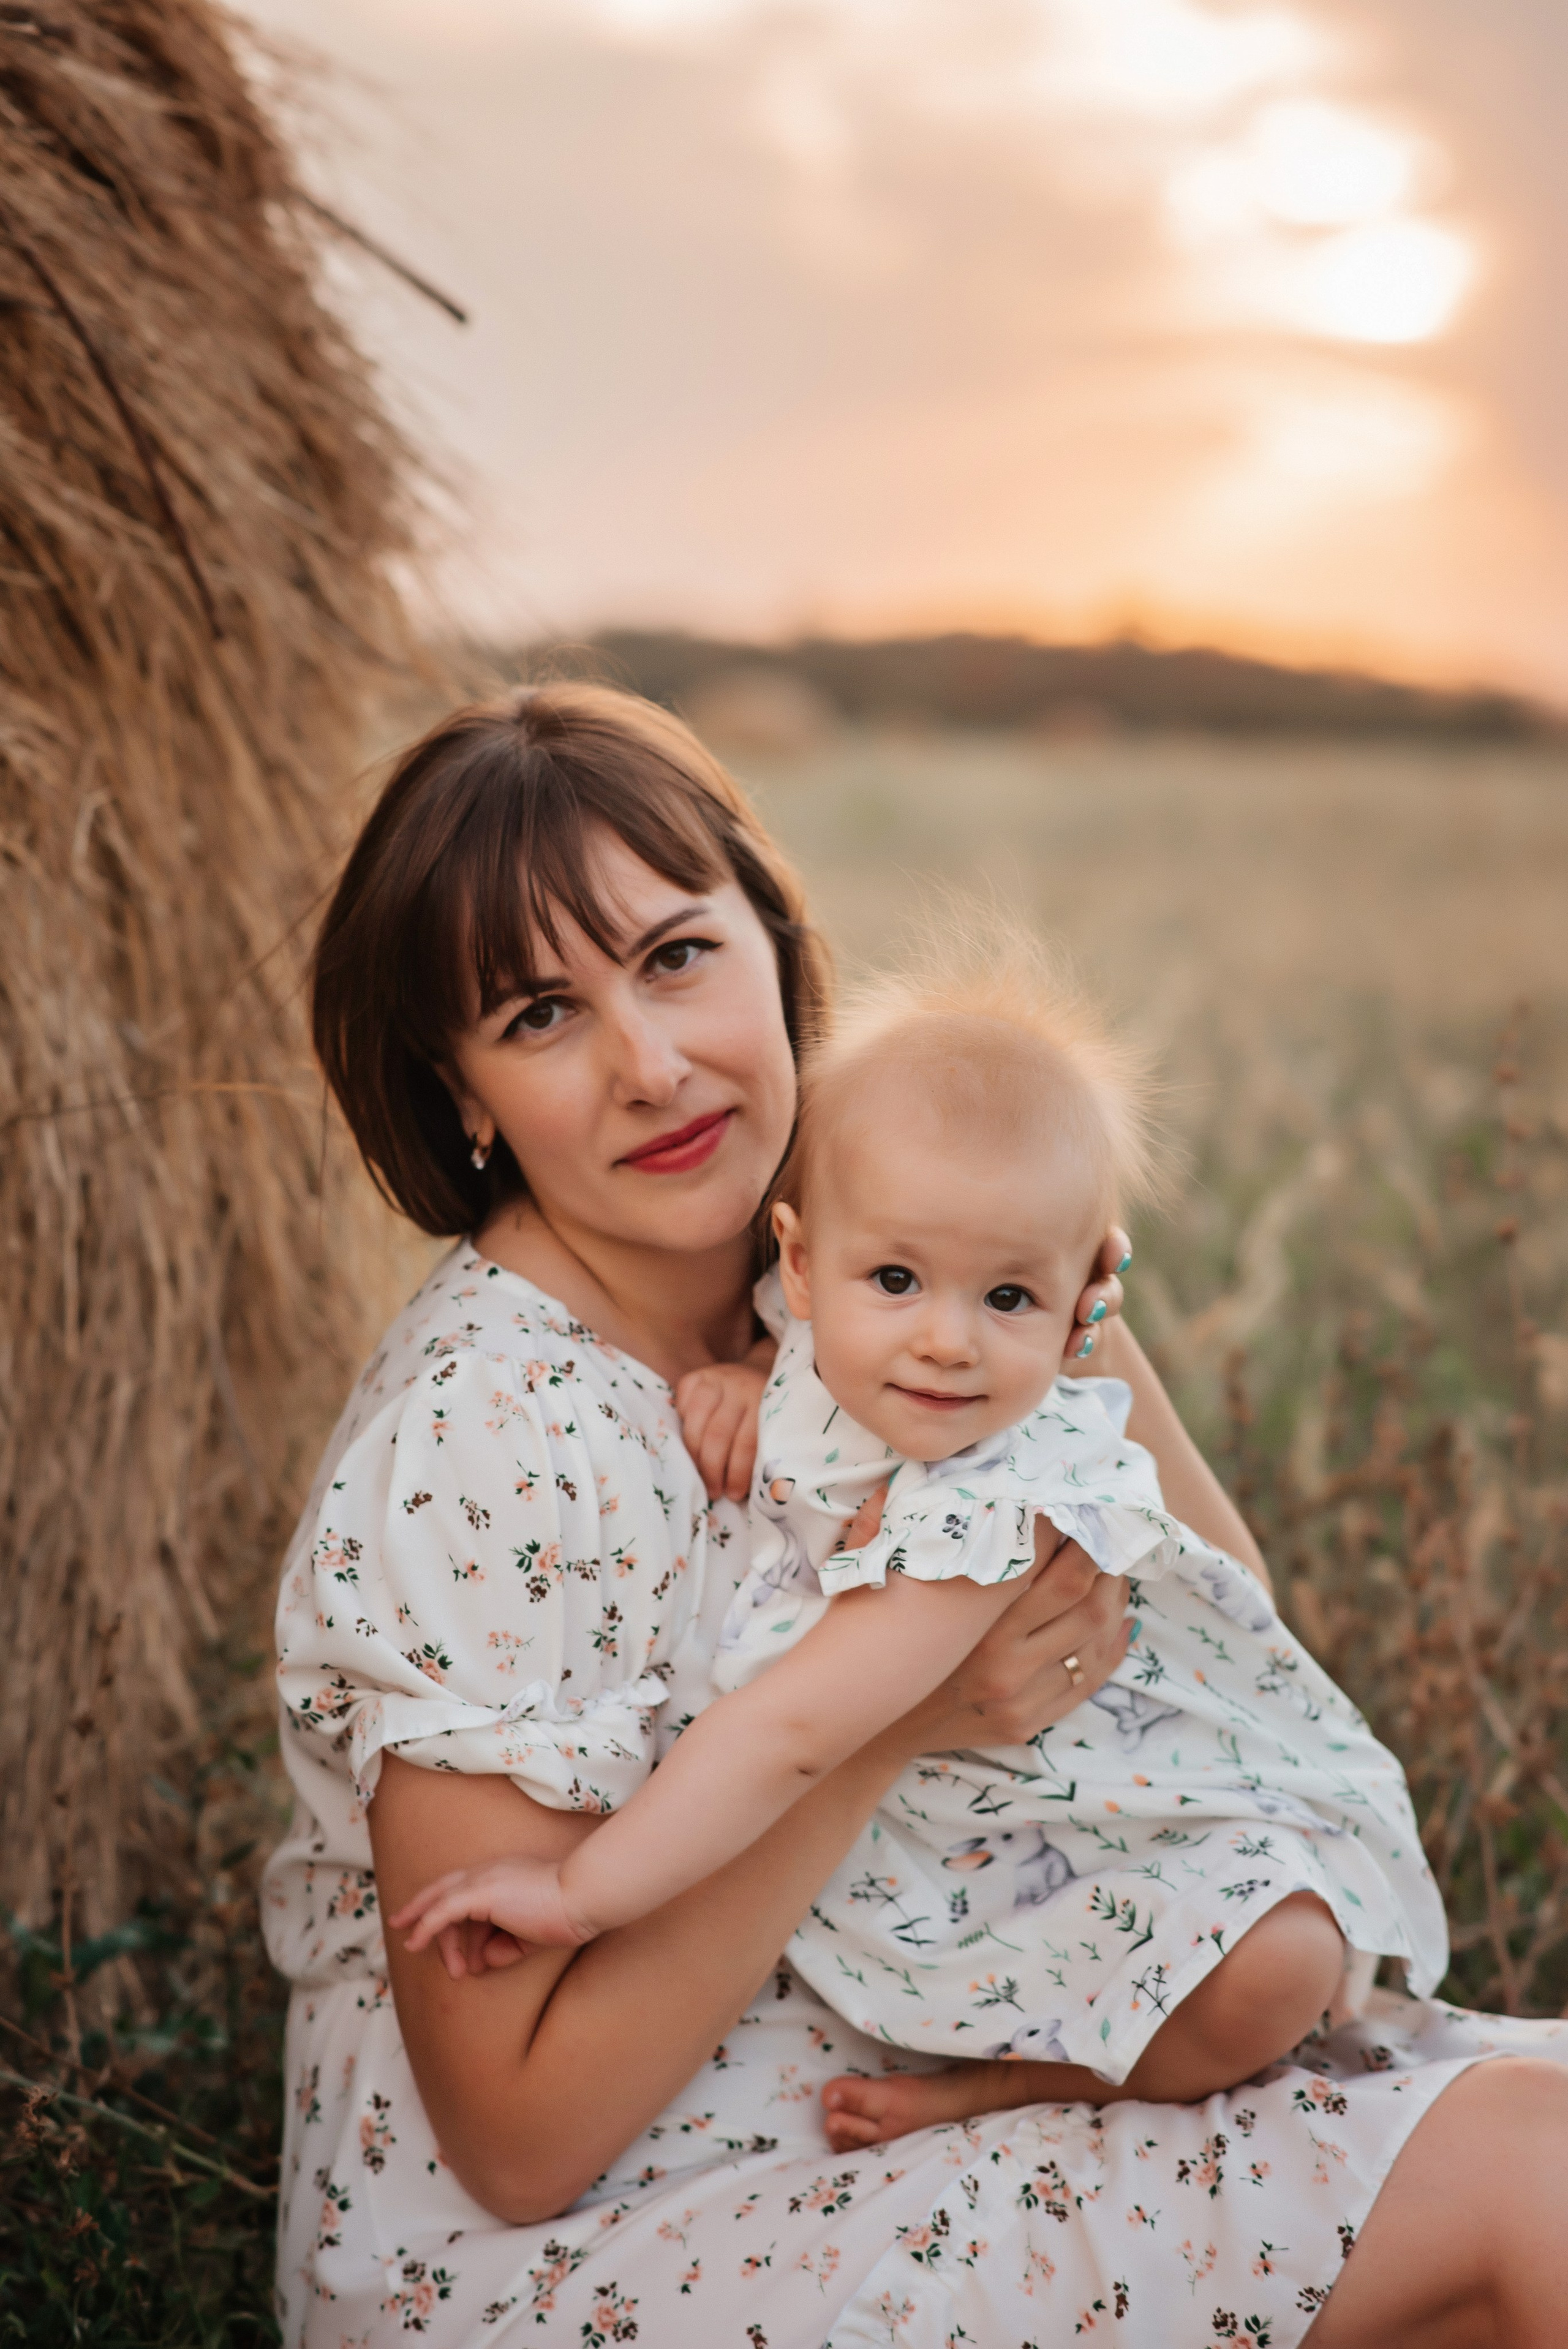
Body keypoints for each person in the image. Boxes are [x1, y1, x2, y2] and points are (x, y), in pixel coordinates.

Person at [265, 680, 1568, 2348]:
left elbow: (1208, 1623)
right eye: (539, 1015)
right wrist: (898, 1718)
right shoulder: (482, 1438)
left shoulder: (872, 1251)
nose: (653, 1064)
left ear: (774, 939)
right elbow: (518, 2135)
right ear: (460, 1095)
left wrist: (1030, 1296)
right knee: (1529, 2177)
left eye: (678, 955)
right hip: (593, 2241)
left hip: (901, 2057)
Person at [388, 940, 1444, 2143]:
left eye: (1006, 1298)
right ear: (798, 1259)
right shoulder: (816, 1320)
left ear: (1080, 1300)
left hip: (1117, 1836)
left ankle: (1028, 2086)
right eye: (897, 1279)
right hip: (980, 1828)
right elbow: (824, 1358)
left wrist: (578, 1892)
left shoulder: (986, 1509)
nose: (944, 1341)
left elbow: (789, 1732)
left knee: (1276, 1967)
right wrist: (753, 1374)